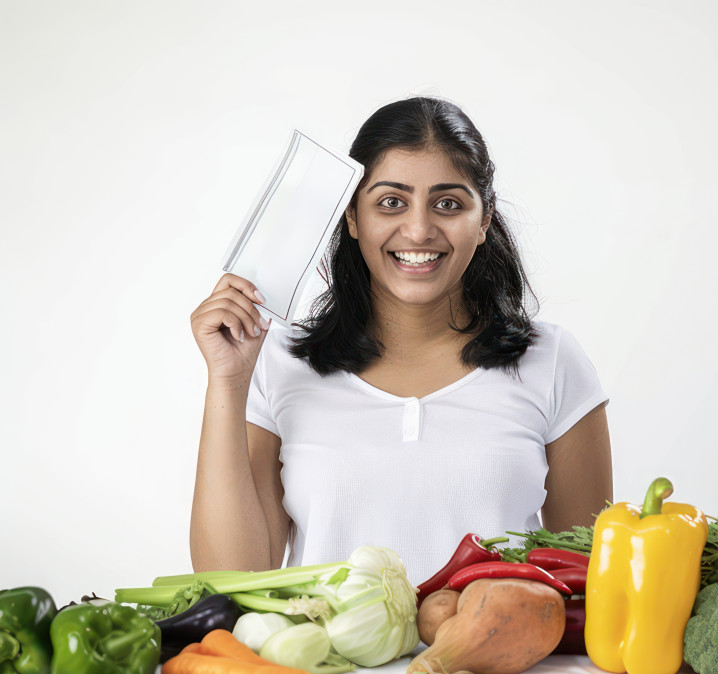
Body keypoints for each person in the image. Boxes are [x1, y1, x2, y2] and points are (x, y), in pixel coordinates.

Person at [187, 97, 612, 581]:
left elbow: (589, 581)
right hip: (323, 658)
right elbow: (229, 580)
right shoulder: (277, 364)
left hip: (492, 656)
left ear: (485, 219)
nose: (419, 229)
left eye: (448, 203)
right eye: (391, 202)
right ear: (351, 217)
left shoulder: (553, 362)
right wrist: (227, 379)